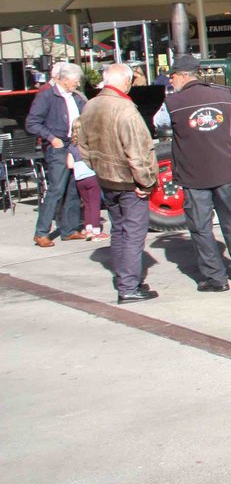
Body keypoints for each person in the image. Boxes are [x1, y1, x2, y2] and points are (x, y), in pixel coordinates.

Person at [153, 54, 231, 292]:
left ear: (183, 75)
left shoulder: (173, 103)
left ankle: (216, 279)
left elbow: (158, 123)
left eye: (173, 76)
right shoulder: (223, 96)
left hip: (193, 174)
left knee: (200, 227)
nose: (171, 81)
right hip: (224, 170)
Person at [75, 64, 160, 304]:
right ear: (126, 81)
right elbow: (138, 151)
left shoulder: (91, 104)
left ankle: (126, 279)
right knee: (133, 234)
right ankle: (128, 287)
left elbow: (83, 145)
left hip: (107, 179)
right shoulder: (125, 109)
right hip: (127, 181)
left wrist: (97, 167)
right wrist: (145, 182)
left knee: (119, 230)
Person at [24, 62, 87, 247]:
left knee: (73, 188)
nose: (77, 84)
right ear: (65, 79)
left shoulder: (75, 97)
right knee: (56, 189)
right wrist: (50, 138)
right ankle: (41, 232)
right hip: (57, 145)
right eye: (75, 81)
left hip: (73, 145)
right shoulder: (47, 96)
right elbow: (32, 122)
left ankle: (69, 229)